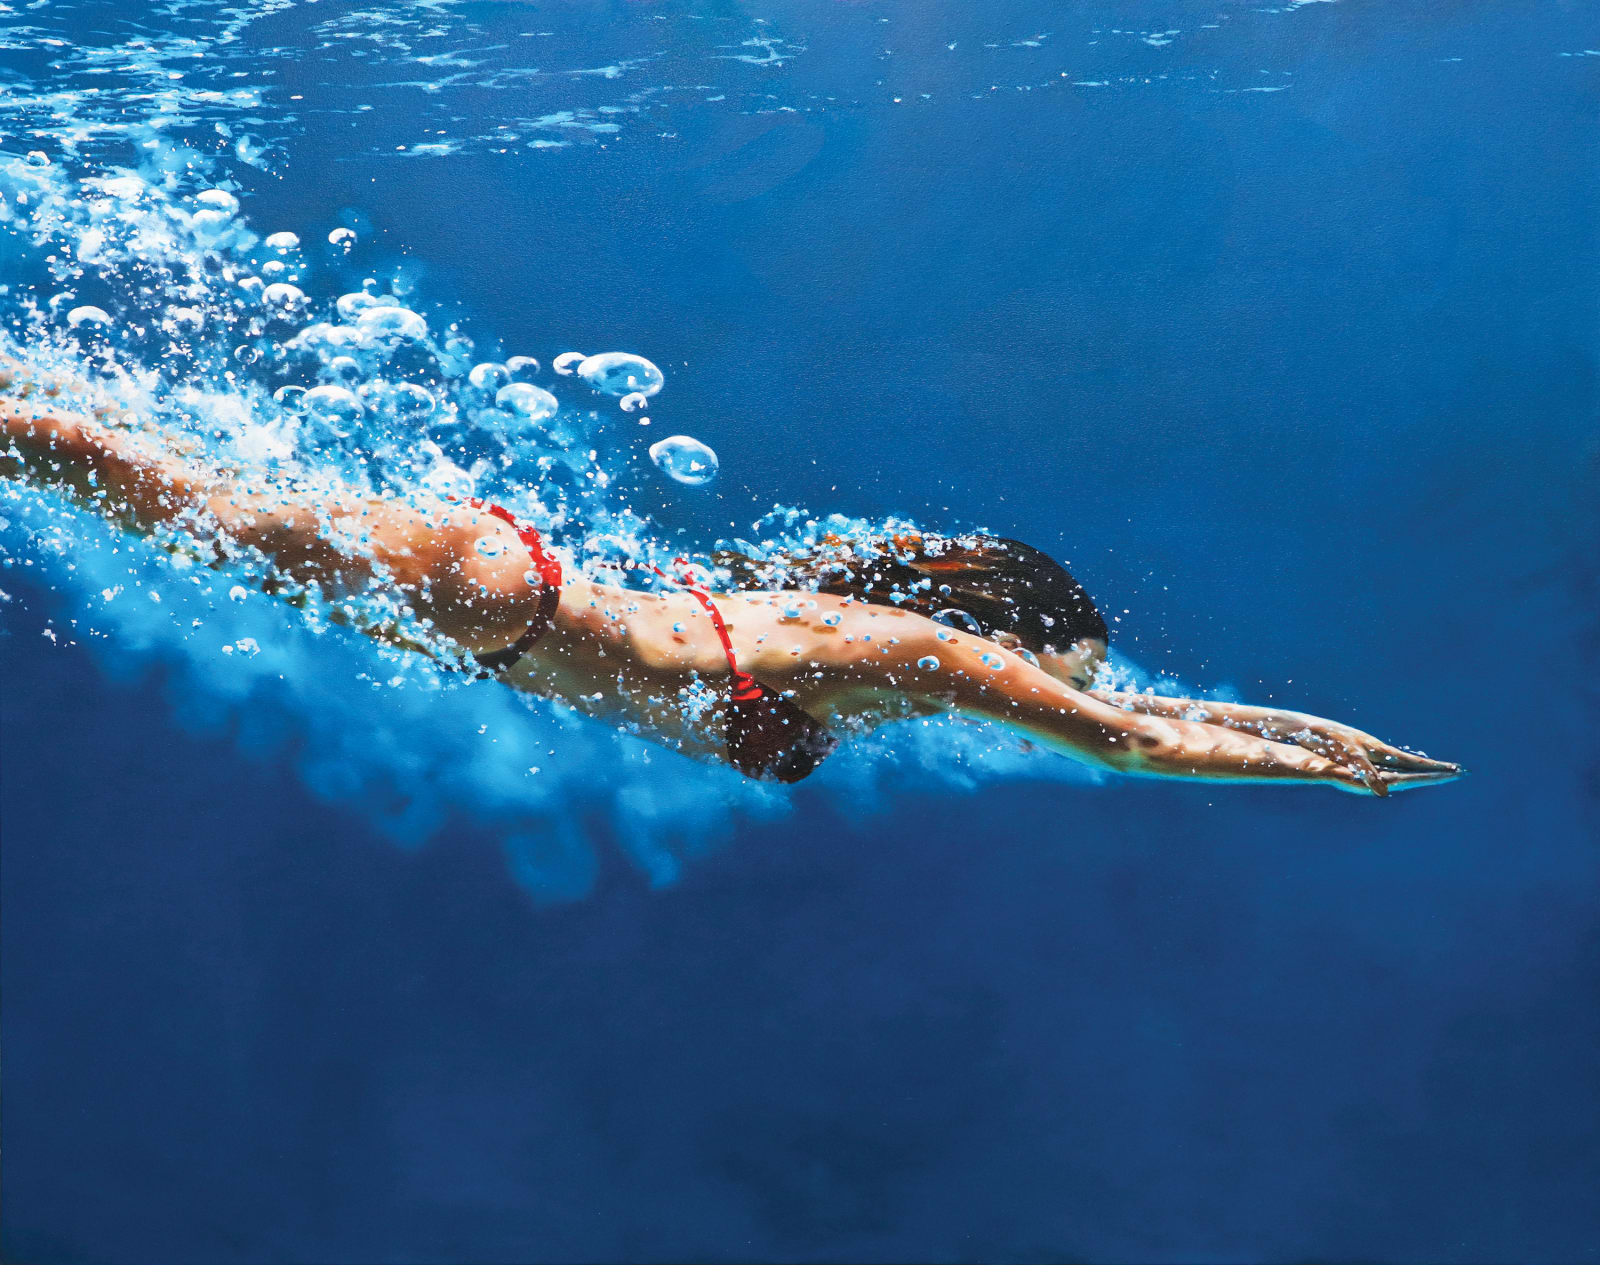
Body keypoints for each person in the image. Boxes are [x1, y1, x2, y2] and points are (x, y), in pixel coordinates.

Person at [0, 355, 1462, 794]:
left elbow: (1133, 703)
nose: (1015, 701)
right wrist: (1327, 760)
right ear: (997, 640)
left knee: (156, 480)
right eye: (1034, 675)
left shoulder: (859, 634)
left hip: (493, 590)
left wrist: (1287, 729)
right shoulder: (919, 655)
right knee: (147, 486)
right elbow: (1137, 737)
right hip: (492, 601)